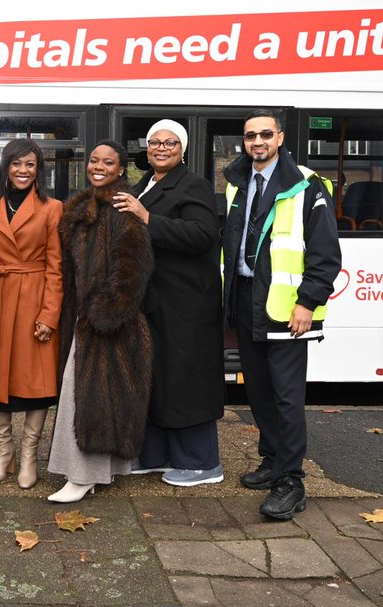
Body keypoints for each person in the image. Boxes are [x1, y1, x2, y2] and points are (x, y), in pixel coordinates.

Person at [221, 109, 341, 520]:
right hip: (246, 299)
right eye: (250, 135)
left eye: (265, 134)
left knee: (287, 398)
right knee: (258, 392)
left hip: (287, 308)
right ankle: (271, 461)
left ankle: (292, 480)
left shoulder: (307, 185)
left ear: (280, 138)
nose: (257, 141)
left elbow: (326, 255)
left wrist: (307, 303)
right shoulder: (238, 183)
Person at [114, 120, 225, 487]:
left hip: (187, 304)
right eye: (155, 142)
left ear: (183, 149)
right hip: (154, 301)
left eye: (170, 142)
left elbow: (202, 235)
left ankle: (201, 462)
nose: (161, 148)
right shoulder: (143, 185)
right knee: (156, 379)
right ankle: (157, 455)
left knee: (186, 381)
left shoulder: (194, 185)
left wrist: (147, 218)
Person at [46, 140, 153, 504]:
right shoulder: (80, 209)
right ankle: (94, 474)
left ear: (121, 169)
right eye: (94, 160)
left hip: (107, 320)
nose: (99, 166)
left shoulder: (124, 208)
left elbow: (134, 269)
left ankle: (81, 477)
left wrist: (103, 313)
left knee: (88, 397)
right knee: (90, 396)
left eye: (108, 162)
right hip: (84, 317)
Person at [0, 138, 63, 489]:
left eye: (30, 164)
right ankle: (3, 453)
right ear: (5, 167)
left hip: (34, 297)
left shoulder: (53, 208)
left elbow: (57, 267)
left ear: (38, 170)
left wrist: (50, 314)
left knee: (35, 382)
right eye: (16, 164)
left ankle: (29, 456)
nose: (23, 170)